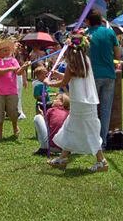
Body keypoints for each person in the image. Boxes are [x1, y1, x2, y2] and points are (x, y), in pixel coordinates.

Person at [46, 33, 108, 173]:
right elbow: (75, 78)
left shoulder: (72, 64)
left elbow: (64, 82)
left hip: (79, 102)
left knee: (86, 130)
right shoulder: (85, 61)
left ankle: (102, 161)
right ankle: (63, 158)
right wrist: (58, 75)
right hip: (88, 102)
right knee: (72, 126)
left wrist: (48, 82)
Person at [85, 10, 121, 149]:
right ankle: (103, 142)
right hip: (109, 75)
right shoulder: (110, 33)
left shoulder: (85, 35)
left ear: (88, 21)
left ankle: (91, 140)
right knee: (106, 110)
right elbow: (118, 53)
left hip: (92, 76)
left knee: (92, 108)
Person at [0, 39, 21, 143]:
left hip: (12, 91)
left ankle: (15, 127)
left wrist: (23, 68)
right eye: (4, 50)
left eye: (8, 50)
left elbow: (18, 71)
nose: (7, 52)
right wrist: (10, 68)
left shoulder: (13, 60)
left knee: (13, 112)